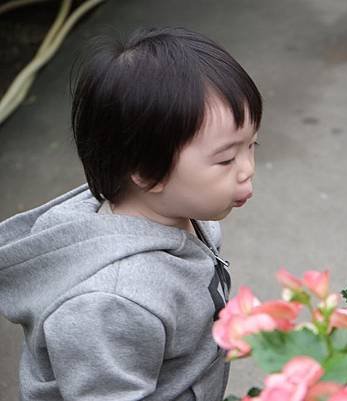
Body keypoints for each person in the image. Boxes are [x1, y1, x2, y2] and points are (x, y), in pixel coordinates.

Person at [0, 27, 262, 401]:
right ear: (147, 171)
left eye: (252, 145)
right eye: (225, 158)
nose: (248, 168)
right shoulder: (112, 304)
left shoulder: (181, 210)